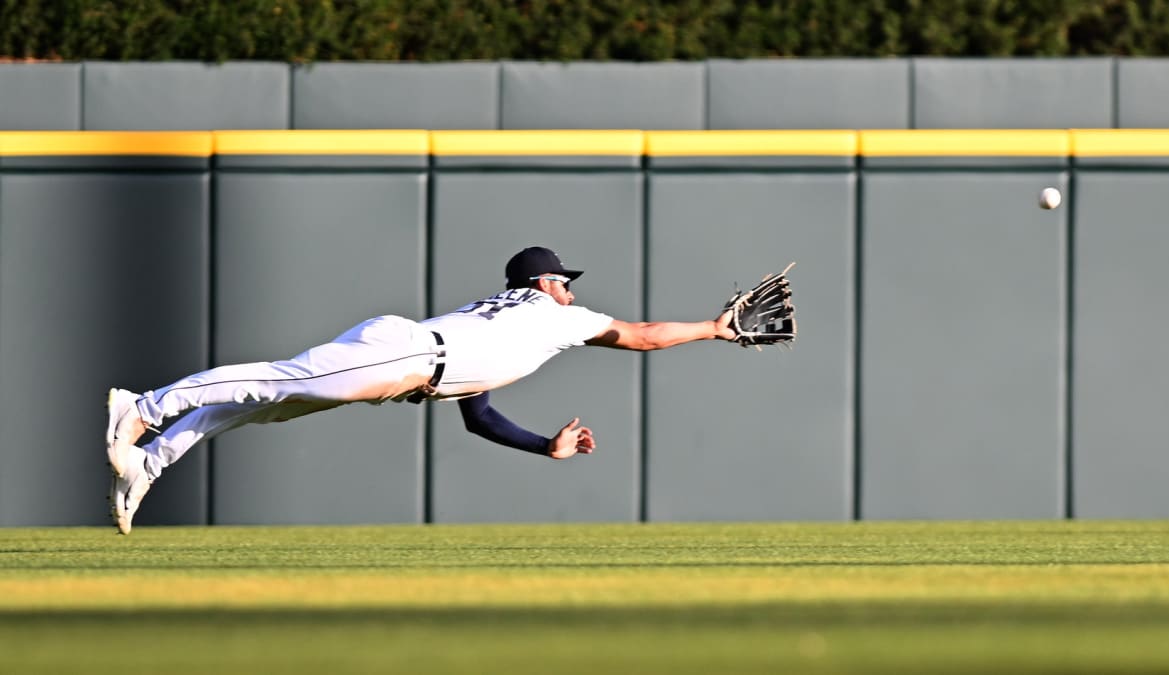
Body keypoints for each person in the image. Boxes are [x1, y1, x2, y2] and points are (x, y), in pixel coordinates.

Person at [105, 246, 737, 534]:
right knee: (275, 381)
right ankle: (143, 408)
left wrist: (546, 446)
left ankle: (147, 464)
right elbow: (645, 335)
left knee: (268, 408)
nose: (572, 289)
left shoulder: (512, 321)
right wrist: (713, 327)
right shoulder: (555, 315)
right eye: (564, 280)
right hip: (408, 355)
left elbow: (478, 416)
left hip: (415, 356)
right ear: (544, 284)